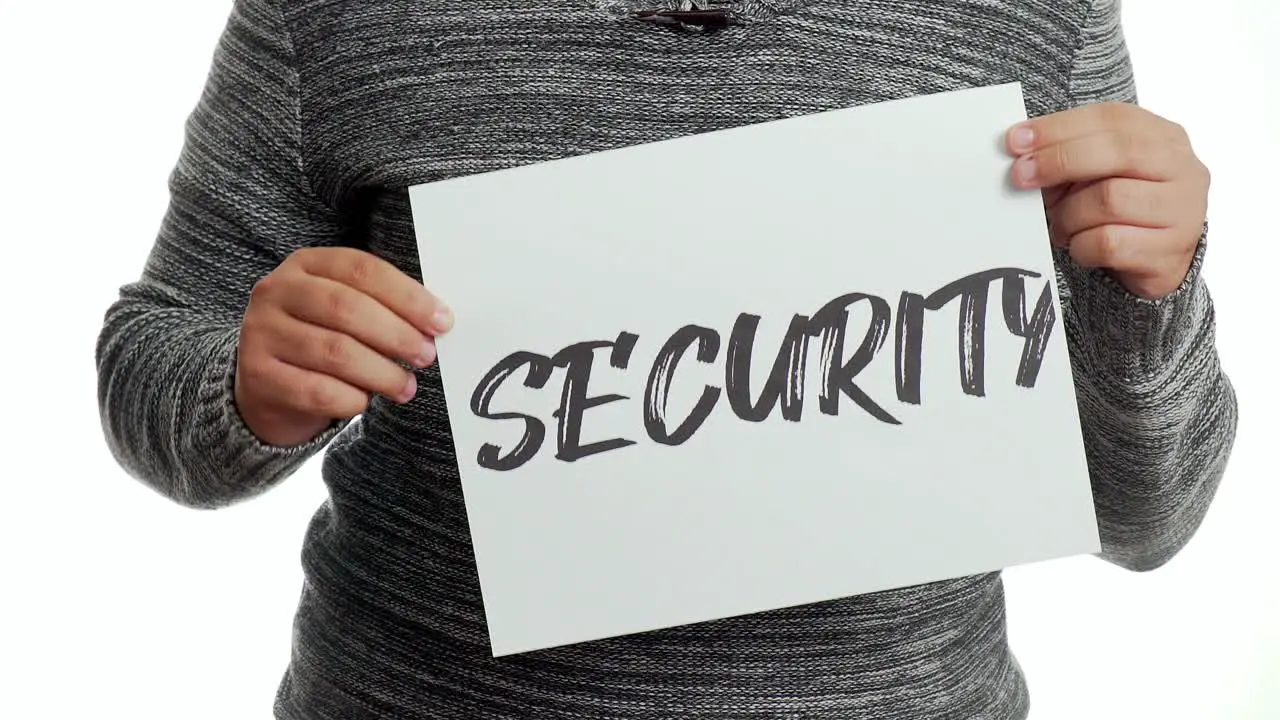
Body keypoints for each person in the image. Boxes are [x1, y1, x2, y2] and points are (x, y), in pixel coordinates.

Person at [95, 0, 1238, 717]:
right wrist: (245, 382)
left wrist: (1149, 291)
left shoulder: (1028, 14)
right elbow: (153, 355)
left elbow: (1148, 517)